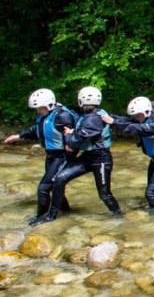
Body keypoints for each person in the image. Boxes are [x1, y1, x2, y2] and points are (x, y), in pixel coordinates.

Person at [31, 87, 122, 225]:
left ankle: (119, 215)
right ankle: (52, 215)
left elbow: (74, 141)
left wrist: (69, 135)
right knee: (60, 178)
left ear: (80, 101)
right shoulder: (90, 116)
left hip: (101, 159)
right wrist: (73, 133)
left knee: (104, 194)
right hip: (88, 157)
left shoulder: (94, 118)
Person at [3, 88, 74, 219]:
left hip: (62, 156)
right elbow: (36, 129)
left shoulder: (62, 116)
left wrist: (70, 147)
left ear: (49, 104)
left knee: (43, 189)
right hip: (51, 155)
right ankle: (67, 213)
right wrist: (18, 135)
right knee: (55, 188)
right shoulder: (44, 116)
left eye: (40, 108)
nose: (38, 111)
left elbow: (73, 135)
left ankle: (41, 217)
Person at [102, 97, 154, 210]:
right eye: (135, 116)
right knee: (153, 194)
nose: (136, 118)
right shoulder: (142, 119)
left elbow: (136, 128)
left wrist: (112, 122)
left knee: (150, 194)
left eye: (138, 115)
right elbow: (126, 121)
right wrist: (107, 115)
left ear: (147, 111)